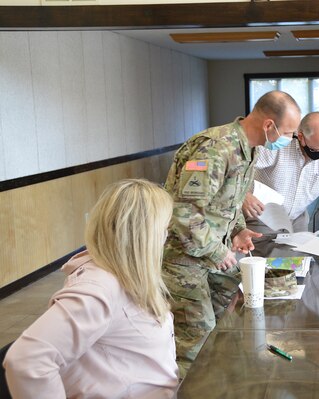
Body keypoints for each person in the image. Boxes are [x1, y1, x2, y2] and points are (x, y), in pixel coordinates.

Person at [162, 90, 301, 375]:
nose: (290, 140)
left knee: (223, 327)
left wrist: (238, 231)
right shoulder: (215, 148)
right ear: (268, 125)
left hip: (210, 259)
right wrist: (219, 250)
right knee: (195, 343)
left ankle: (212, 382)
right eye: (288, 133)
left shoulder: (249, 150)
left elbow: (228, 203)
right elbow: (184, 213)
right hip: (185, 262)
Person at [3, 179, 178, 399]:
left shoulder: (124, 275)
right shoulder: (100, 289)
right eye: (164, 229)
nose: (165, 238)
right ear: (144, 235)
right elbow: (27, 360)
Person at [243, 111, 319, 241]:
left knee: (300, 259)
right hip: (262, 216)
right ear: (300, 137)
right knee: (263, 259)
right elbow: (234, 169)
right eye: (316, 150)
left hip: (297, 219)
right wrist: (244, 195)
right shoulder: (277, 142)